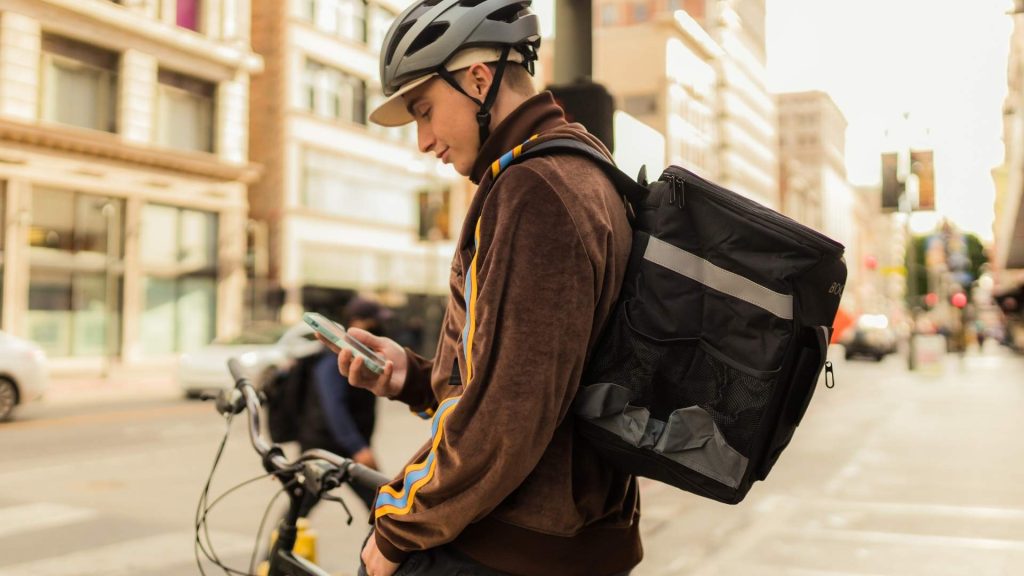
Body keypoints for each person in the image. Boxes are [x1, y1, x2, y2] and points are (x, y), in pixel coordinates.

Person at [321, 2, 640, 575]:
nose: (423, 140)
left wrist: (396, 532)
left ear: (478, 78)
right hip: (556, 537)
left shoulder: (536, 189)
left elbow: (506, 417)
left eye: (424, 111)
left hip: (511, 545)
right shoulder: (578, 167)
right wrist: (414, 378)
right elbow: (530, 376)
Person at [297, 297, 388, 511]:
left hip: (340, 446)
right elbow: (334, 406)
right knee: (380, 503)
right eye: (373, 322)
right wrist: (358, 448)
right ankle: (279, 543)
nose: (378, 327)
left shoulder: (359, 354)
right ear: (357, 321)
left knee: (378, 502)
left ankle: (280, 542)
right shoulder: (334, 358)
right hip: (330, 448)